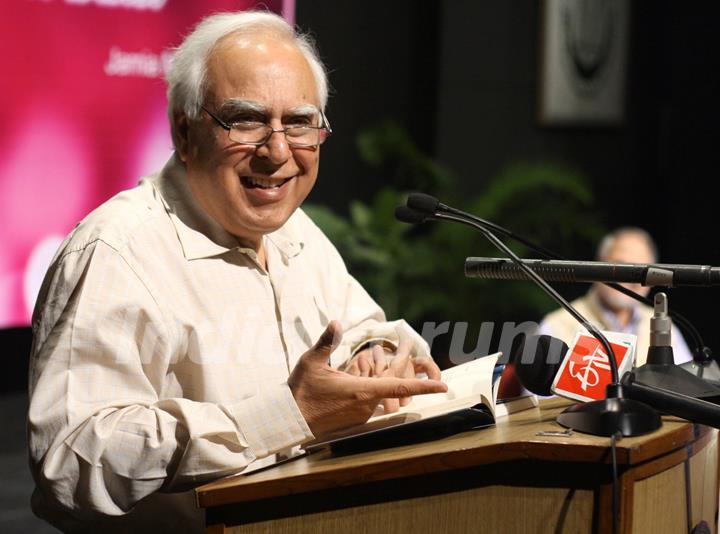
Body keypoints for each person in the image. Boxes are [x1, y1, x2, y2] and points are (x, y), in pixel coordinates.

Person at [27, 11, 446, 532]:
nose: (276, 152)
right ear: (184, 131)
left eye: (298, 123)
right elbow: (69, 463)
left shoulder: (296, 233)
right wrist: (283, 416)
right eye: (245, 120)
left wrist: (373, 355)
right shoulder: (117, 253)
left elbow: (361, 326)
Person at [538, 227, 693, 366]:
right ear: (598, 266)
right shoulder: (556, 325)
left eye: (644, 271)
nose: (632, 280)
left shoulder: (664, 326)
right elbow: (537, 398)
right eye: (622, 267)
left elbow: (690, 389)